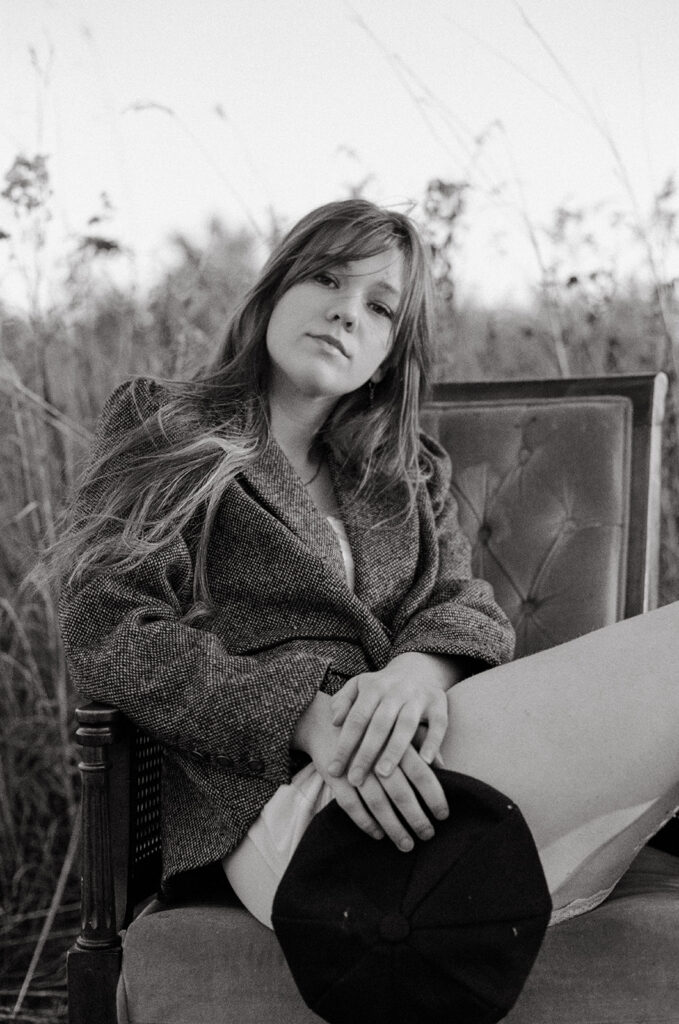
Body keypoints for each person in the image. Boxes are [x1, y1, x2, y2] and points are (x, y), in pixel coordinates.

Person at [59, 198, 679, 941]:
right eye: (325, 278)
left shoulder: (406, 473)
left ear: (391, 351)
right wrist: (304, 715)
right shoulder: (168, 423)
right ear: (273, 292)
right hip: (277, 802)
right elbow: (105, 626)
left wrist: (415, 676)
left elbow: (461, 604)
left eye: (379, 306)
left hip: (425, 771)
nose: (346, 312)